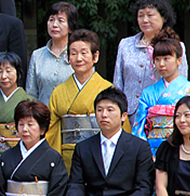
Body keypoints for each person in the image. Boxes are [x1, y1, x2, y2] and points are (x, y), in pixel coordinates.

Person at [45, 29, 128, 172]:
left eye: (84, 53)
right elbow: (52, 133)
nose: (78, 59)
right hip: (68, 158)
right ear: (68, 58)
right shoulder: (58, 92)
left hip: (101, 155)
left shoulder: (107, 88)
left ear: (95, 56)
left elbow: (119, 127)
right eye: (73, 53)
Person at [113, 0, 189, 125]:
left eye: (150, 15)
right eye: (140, 15)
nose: (144, 20)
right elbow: (118, 82)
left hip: (161, 114)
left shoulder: (176, 46)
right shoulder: (125, 45)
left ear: (164, 17)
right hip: (129, 115)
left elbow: (180, 83)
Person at [134, 30, 190, 154]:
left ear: (178, 60)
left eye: (166, 58)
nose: (161, 64)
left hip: (184, 149)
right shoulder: (148, 93)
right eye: (157, 59)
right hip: (153, 151)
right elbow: (139, 127)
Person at [25, 2, 77, 105]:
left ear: (70, 27)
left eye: (60, 21)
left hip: (71, 118)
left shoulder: (79, 55)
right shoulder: (37, 55)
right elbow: (31, 93)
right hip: (43, 117)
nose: (54, 25)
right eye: (51, 20)